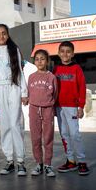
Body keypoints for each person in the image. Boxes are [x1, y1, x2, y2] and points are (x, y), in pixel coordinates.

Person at [0, 24, 28, 176]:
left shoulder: (14, 50)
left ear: (8, 35)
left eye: (4, 33)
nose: (1, 36)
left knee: (16, 124)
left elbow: (20, 72)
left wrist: (24, 92)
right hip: (0, 90)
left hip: (13, 87)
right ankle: (9, 161)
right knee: (5, 124)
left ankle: (20, 161)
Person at [53, 41, 90, 175]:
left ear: (73, 54)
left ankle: (82, 161)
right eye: (62, 51)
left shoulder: (77, 68)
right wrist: (52, 106)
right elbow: (53, 88)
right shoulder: (55, 69)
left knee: (75, 134)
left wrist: (81, 106)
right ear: (58, 53)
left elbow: (82, 88)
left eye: (68, 51)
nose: (65, 54)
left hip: (72, 107)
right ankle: (70, 161)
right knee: (64, 134)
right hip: (59, 107)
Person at [27, 49, 58, 177]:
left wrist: (50, 105)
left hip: (48, 109)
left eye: (42, 59)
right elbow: (29, 93)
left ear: (47, 61)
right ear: (34, 61)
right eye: (37, 59)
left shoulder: (52, 77)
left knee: (48, 137)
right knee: (35, 137)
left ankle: (48, 164)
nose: (40, 61)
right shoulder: (31, 77)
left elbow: (55, 94)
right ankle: (38, 163)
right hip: (34, 109)